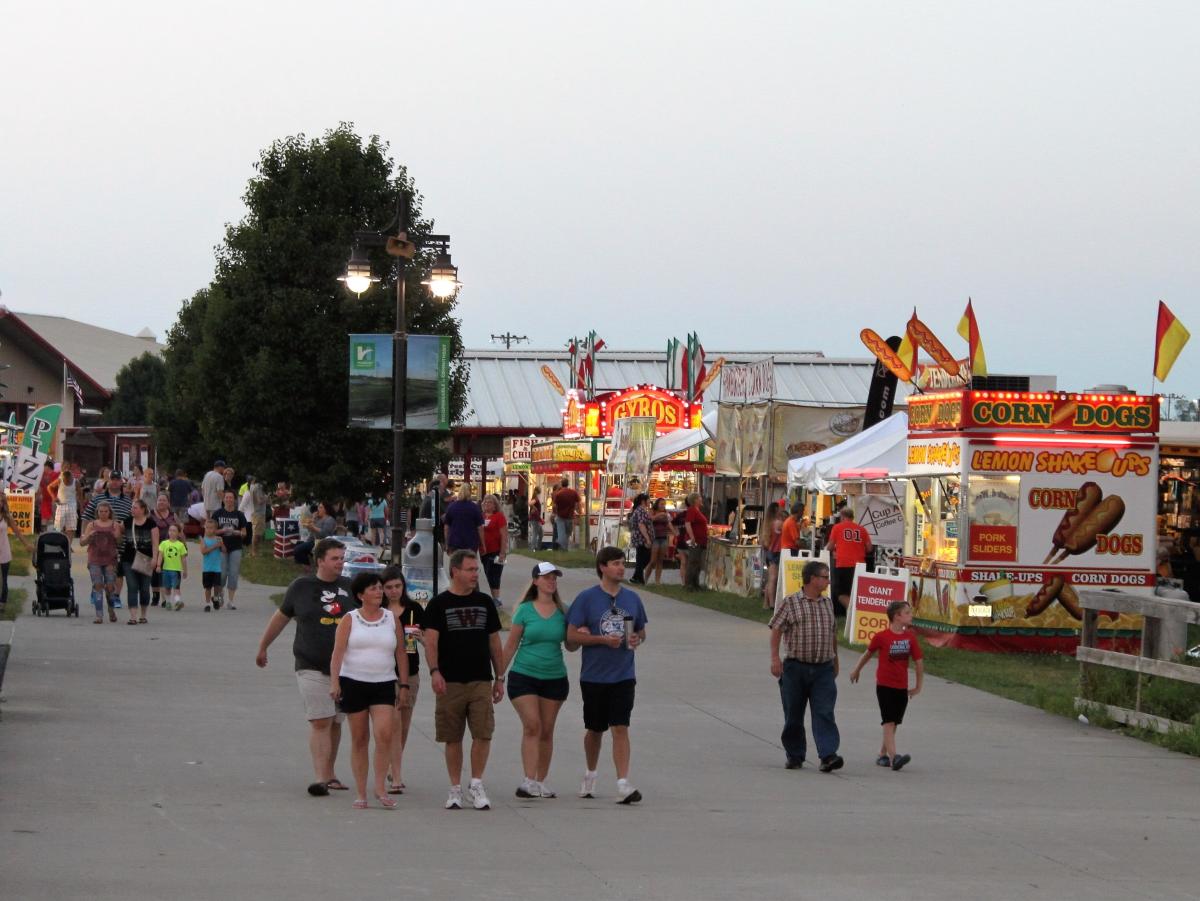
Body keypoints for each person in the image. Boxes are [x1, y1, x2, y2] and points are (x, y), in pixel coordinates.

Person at [256, 538, 356, 797]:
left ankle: (330, 773)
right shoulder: (301, 587)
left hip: (345, 668)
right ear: (320, 560)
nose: (340, 563)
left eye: (342, 558)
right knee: (321, 721)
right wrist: (263, 646)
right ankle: (320, 778)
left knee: (335, 721)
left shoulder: (350, 587)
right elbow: (281, 617)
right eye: (335, 558)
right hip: (310, 664)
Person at [423, 550, 505, 811]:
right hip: (450, 681)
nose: (474, 574)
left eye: (476, 570)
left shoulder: (484, 602)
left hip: (481, 679)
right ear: (455, 571)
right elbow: (431, 641)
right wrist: (434, 671)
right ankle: (455, 788)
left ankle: (476, 784)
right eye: (470, 570)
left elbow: (495, 641)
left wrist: (500, 677)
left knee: (483, 732)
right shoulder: (439, 604)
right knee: (452, 736)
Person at [566, 546, 648, 804]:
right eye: (615, 563)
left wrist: (636, 637)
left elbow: (642, 631)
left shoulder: (632, 599)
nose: (621, 568)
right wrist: (601, 639)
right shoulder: (586, 599)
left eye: (623, 563)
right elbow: (570, 636)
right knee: (595, 728)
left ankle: (623, 782)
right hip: (594, 675)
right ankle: (590, 773)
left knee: (620, 726)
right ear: (602, 567)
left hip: (623, 674)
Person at [329, 572, 408, 810]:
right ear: (361, 594)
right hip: (354, 682)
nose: (379, 592)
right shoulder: (350, 619)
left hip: (384, 682)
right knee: (360, 738)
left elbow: (401, 653)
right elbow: (337, 653)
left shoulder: (391, 619)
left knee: (384, 734)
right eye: (373, 589)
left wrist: (403, 684)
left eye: (379, 588)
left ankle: (380, 788)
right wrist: (335, 682)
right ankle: (361, 792)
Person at [502, 561, 574, 799]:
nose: (551, 581)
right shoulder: (524, 610)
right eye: (546, 577)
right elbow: (510, 645)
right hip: (524, 675)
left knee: (546, 729)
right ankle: (528, 780)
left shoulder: (564, 611)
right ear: (535, 581)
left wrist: (581, 635)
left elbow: (571, 645)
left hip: (554, 676)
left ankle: (541, 781)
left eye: (554, 578)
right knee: (532, 725)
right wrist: (498, 676)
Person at [768, 559, 843, 773]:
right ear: (812, 579)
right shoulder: (790, 602)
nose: (828, 580)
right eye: (824, 576)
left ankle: (828, 755)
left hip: (823, 669)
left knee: (824, 712)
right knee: (793, 714)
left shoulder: (827, 603)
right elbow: (776, 630)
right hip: (795, 669)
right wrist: (775, 658)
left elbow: (832, 633)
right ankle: (795, 755)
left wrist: (835, 660)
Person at [849, 600, 924, 771]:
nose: (911, 615)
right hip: (884, 685)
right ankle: (894, 757)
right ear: (897, 617)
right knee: (888, 722)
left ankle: (882, 754)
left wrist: (918, 686)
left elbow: (919, 662)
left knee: (895, 722)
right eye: (907, 613)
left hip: (901, 686)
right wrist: (856, 670)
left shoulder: (910, 638)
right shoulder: (882, 637)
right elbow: (867, 654)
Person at [381, 567, 423, 794]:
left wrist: (421, 637)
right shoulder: (379, 611)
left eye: (397, 586)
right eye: (388, 587)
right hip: (385, 673)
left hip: (411, 672)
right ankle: (395, 774)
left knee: (404, 725)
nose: (393, 591)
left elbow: (429, 639)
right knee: (393, 724)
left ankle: (392, 764)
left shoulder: (414, 610)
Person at [81, 472, 132, 607]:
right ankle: (96, 589)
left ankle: (115, 597)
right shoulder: (99, 498)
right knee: (98, 569)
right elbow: (86, 516)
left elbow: (131, 519)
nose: (114, 482)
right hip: (99, 542)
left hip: (119, 541)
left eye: (117, 479)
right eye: (112, 479)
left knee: (118, 571)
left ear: (121, 482)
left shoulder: (127, 500)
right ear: (108, 481)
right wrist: (84, 535)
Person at [81, 500, 123, 623]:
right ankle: (99, 615)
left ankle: (111, 609)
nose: (103, 514)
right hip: (94, 559)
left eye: (106, 511)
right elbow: (82, 542)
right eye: (101, 511)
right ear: (97, 512)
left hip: (110, 559)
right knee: (97, 585)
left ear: (110, 512)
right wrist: (89, 536)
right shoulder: (92, 525)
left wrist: (117, 535)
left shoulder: (115, 525)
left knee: (110, 587)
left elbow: (120, 542)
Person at [825, 507, 872, 614]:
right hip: (860, 565)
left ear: (842, 516)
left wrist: (829, 550)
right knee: (855, 591)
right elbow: (869, 548)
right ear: (852, 517)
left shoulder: (837, 528)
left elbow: (830, 546)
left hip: (843, 564)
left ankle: (853, 613)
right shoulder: (862, 529)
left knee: (841, 593)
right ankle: (854, 613)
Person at [123, 499, 160, 624]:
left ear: (143, 509)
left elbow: (156, 544)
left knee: (144, 588)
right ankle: (133, 616)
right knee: (132, 586)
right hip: (128, 559)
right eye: (132, 507)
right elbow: (118, 535)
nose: (132, 510)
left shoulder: (151, 524)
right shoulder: (127, 522)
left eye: (135, 508)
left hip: (146, 559)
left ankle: (143, 614)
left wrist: (155, 558)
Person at [213, 490, 248, 610]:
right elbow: (211, 532)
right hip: (221, 547)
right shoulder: (217, 514)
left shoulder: (239, 515)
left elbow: (244, 533)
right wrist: (222, 531)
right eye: (226, 497)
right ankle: (220, 593)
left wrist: (237, 532)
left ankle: (231, 601)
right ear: (223, 500)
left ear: (234, 500)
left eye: (231, 498)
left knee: (233, 573)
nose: (228, 500)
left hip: (236, 547)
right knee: (222, 573)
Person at [0, 492, 32, 614]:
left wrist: (27, 544)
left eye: (1, 501)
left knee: (3, 578)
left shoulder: (6, 517)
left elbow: (18, 532)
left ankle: (2, 603)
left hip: (4, 550)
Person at [480, 494, 509, 606]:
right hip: (484, 551)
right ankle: (494, 597)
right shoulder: (481, 516)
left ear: (495, 505)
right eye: (485, 502)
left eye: (490, 502)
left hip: (496, 550)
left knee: (495, 574)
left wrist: (502, 552)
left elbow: (504, 534)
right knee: (488, 574)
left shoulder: (499, 516)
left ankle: (497, 598)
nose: (487, 504)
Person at [149, 495, 177, 607]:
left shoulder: (173, 515)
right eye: (159, 500)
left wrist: (183, 544)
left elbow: (179, 529)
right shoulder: (150, 514)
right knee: (154, 572)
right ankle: (155, 596)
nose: (161, 502)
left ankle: (165, 598)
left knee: (165, 572)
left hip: (169, 548)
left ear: (168, 503)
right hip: (154, 546)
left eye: (164, 500)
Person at [443, 483, 484, 557]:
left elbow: (446, 528)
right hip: (471, 543)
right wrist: (483, 544)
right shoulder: (475, 508)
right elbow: (480, 528)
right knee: (469, 565)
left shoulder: (451, 507)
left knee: (456, 565)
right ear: (470, 492)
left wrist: (446, 543)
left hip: (455, 542)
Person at [156, 522, 188, 611]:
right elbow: (160, 555)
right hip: (166, 569)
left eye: (174, 531)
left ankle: (178, 602)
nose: (171, 532)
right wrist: (158, 565)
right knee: (167, 587)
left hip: (176, 570)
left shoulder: (180, 545)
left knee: (176, 587)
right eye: (170, 530)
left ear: (178, 533)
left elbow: (183, 559)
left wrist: (185, 570)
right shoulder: (164, 543)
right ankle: (168, 602)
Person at [293, 502, 336, 567]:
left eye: (320, 507)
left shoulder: (329, 519)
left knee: (297, 549)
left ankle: (307, 566)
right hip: (313, 540)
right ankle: (306, 563)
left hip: (322, 541)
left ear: (326, 509)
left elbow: (325, 534)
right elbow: (311, 530)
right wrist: (313, 518)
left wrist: (313, 527)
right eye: (318, 507)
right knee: (298, 544)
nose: (318, 509)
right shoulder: (318, 518)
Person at [682, 493, 709, 591]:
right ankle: (688, 584)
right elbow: (688, 523)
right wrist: (692, 537)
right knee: (693, 561)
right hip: (694, 540)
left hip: (700, 540)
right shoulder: (692, 510)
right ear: (695, 500)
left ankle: (695, 583)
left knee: (697, 562)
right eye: (699, 498)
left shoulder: (697, 510)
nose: (701, 499)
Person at [198, 519, 224, 612]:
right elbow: (203, 552)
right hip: (207, 568)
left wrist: (221, 545)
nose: (209, 530)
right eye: (207, 528)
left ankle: (216, 598)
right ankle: (207, 603)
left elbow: (224, 551)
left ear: (215, 529)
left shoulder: (218, 539)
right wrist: (215, 546)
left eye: (211, 528)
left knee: (217, 586)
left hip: (217, 568)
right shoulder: (203, 540)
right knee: (208, 587)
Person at [761, 503, 783, 610]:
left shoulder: (768, 524)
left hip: (770, 552)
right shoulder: (778, 523)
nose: (781, 510)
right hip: (776, 552)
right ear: (776, 510)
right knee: (774, 579)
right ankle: (772, 604)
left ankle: (766, 603)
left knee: (770, 579)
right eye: (779, 509)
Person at [647, 498, 674, 585]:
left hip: (663, 538)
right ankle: (646, 578)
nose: (663, 506)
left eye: (664, 504)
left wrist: (674, 532)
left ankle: (657, 581)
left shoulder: (666, 513)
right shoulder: (652, 511)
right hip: (655, 538)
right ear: (657, 504)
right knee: (653, 561)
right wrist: (660, 515)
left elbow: (669, 523)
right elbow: (651, 519)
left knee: (660, 560)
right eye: (661, 504)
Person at [628, 494, 653, 585]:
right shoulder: (641, 511)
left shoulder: (638, 510)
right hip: (641, 537)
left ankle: (637, 577)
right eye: (648, 500)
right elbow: (641, 525)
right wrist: (647, 538)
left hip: (638, 537)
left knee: (641, 558)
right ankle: (637, 577)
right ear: (643, 501)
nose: (650, 502)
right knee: (645, 557)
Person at [551, 478, 581, 550]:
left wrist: (554, 513)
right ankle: (564, 548)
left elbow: (554, 505)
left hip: (560, 517)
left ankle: (563, 548)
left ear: (561, 484)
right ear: (568, 484)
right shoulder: (573, 492)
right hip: (570, 517)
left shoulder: (558, 494)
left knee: (561, 534)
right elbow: (578, 503)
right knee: (568, 534)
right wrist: (578, 513)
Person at [49, 467, 78, 538]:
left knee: (71, 528)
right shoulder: (60, 480)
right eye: (66, 480)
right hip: (61, 505)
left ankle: (68, 545)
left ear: (71, 477)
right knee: (58, 528)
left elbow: (80, 494)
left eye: (69, 480)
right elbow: (49, 487)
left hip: (72, 506)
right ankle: (60, 543)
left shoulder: (76, 482)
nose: (67, 481)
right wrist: (54, 497)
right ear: (63, 477)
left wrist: (82, 507)